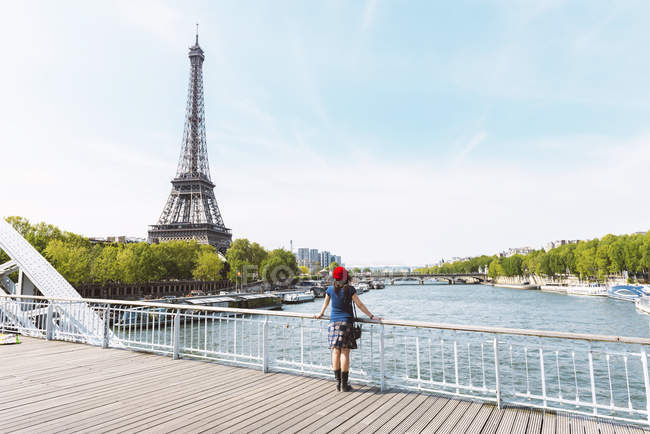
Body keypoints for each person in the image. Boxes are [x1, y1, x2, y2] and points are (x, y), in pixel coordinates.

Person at [314, 266, 381, 392]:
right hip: (346, 324)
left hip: (333, 323)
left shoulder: (329, 289)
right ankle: (344, 385)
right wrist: (371, 316)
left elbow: (325, 304)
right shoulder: (350, 290)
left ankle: (338, 383)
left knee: (335, 352)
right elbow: (359, 304)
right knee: (345, 352)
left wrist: (320, 313)